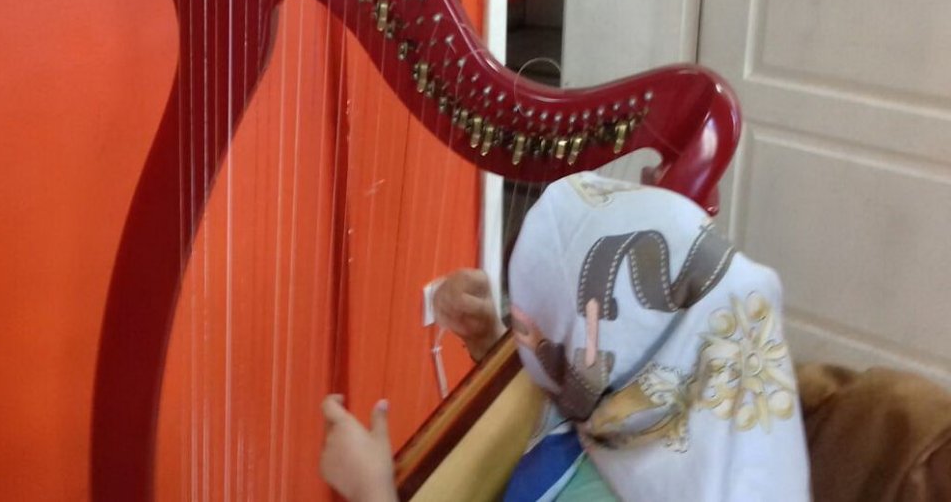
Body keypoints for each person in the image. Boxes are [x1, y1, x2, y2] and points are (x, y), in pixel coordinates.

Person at [319, 172, 811, 501]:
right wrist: (489, 338)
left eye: (550, 329)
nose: (529, 336)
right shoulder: (680, 412)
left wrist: (370, 491)